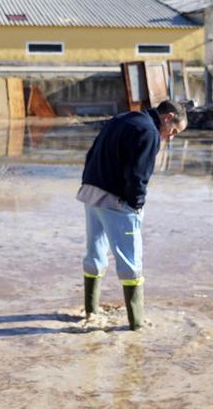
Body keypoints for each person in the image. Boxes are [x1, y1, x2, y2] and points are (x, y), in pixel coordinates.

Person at [76, 100, 188, 330]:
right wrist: (136, 205)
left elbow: (92, 153)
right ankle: (136, 324)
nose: (171, 137)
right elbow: (138, 175)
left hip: (91, 193)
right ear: (168, 118)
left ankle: (91, 310)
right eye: (174, 131)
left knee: (95, 253)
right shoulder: (149, 132)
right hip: (117, 202)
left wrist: (89, 183)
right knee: (131, 261)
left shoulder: (122, 118)